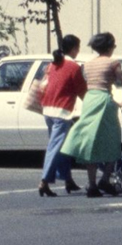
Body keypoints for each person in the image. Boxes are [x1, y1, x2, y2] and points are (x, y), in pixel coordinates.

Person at [58, 32, 122, 197]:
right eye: (114, 45)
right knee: (112, 141)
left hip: (90, 100)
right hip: (104, 101)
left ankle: (92, 184)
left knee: (90, 142)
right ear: (109, 47)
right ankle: (105, 179)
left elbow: (93, 86)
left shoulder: (88, 64)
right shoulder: (112, 63)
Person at [37, 35, 87, 197]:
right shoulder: (73, 67)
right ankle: (44, 181)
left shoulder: (53, 64)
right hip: (62, 111)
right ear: (73, 48)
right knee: (56, 147)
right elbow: (82, 90)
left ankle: (67, 179)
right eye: (78, 48)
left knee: (62, 146)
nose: (79, 51)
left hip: (48, 109)